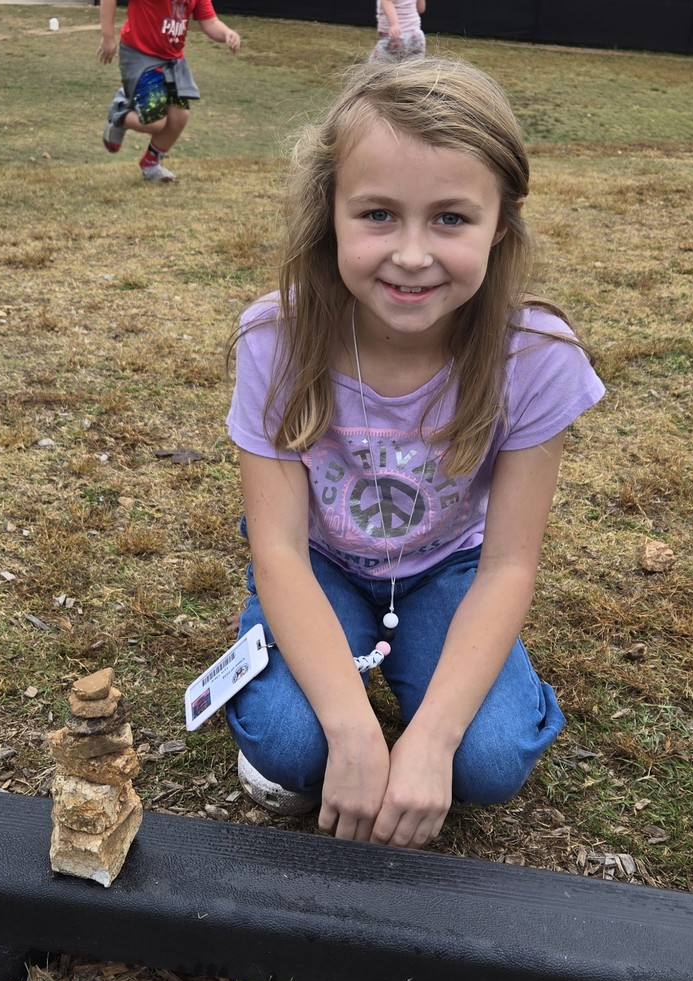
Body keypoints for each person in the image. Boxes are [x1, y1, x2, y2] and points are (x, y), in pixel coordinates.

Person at [225, 57, 605, 850]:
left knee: (490, 760)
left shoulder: (536, 357)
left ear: (501, 221)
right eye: (376, 214)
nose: (409, 254)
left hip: (448, 569)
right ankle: (284, 681)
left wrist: (428, 741)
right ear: (328, 210)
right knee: (295, 748)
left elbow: (507, 565)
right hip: (318, 562)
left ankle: (446, 690)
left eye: (450, 219)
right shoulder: (275, 338)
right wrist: (354, 733)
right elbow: (280, 549)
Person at [97, 0, 240, 183]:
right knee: (155, 123)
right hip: (140, 56)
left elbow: (210, 22)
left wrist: (228, 33)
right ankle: (120, 111)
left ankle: (151, 163)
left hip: (172, 60)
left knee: (180, 115)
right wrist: (108, 36)